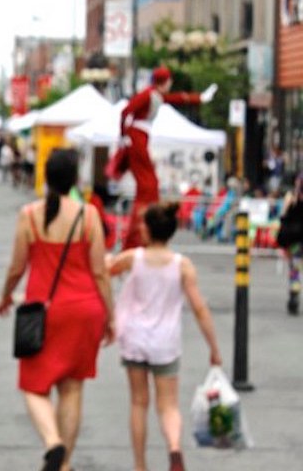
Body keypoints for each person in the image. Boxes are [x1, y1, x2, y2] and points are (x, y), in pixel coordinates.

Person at [0, 149, 115, 471]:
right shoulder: (88, 215)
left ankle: (53, 443)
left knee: (32, 386)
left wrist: (5, 297)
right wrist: (111, 316)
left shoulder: (29, 215)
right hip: (85, 310)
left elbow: (17, 267)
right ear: (75, 179)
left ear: (46, 178)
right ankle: (64, 464)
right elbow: (100, 272)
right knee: (72, 389)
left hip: (44, 312)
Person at [106, 202, 223, 471]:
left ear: (147, 229)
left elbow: (105, 269)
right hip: (165, 343)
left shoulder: (133, 258)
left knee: (138, 403)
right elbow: (200, 309)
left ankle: (140, 465)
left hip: (135, 340)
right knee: (169, 405)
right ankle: (174, 448)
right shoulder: (182, 265)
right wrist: (214, 348)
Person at [108, 66, 216, 249]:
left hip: (140, 137)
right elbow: (126, 111)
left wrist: (200, 98)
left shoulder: (156, 95)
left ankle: (144, 230)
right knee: (148, 184)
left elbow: (178, 98)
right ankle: (139, 233)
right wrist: (123, 136)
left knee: (150, 185)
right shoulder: (148, 94)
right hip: (136, 137)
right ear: (165, 81)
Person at [279, 174, 303, 315]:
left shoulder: (291, 197)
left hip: (295, 240)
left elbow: (283, 216)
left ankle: (294, 294)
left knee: (295, 268)